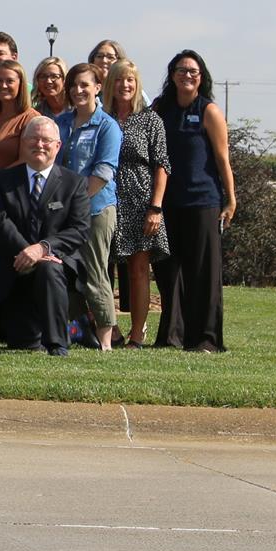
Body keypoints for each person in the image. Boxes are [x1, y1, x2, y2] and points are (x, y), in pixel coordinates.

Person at [0, 118, 92, 355]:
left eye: (46, 140)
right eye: (34, 138)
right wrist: (27, 251)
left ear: (58, 146)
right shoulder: (4, 180)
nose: (39, 144)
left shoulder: (74, 183)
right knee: (22, 342)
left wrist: (42, 249)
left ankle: (58, 344)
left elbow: (80, 229)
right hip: (14, 264)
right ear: (23, 143)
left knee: (48, 269)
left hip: (57, 264)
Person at [151, 50, 236, 353]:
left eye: (194, 72)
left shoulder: (209, 110)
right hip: (166, 203)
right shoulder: (160, 109)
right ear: (172, 75)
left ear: (202, 77)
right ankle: (171, 336)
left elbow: (222, 158)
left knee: (203, 273)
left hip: (203, 201)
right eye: (182, 70)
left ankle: (206, 339)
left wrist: (230, 199)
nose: (187, 76)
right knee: (167, 271)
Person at [105, 58, 170, 349]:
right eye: (119, 80)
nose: (125, 85)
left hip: (140, 199)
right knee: (102, 267)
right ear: (110, 84)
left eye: (130, 80)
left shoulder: (150, 120)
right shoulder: (101, 117)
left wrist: (155, 207)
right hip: (106, 198)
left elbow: (162, 165)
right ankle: (110, 330)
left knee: (138, 270)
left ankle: (137, 334)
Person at [57, 62, 123, 350]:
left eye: (85, 84)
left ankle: (106, 339)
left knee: (95, 273)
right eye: (73, 85)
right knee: (68, 272)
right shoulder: (60, 123)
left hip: (96, 209)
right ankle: (78, 332)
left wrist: (76, 203)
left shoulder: (107, 126)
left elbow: (104, 171)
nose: (78, 90)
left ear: (98, 88)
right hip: (62, 211)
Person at [0, 61, 38, 174]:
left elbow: (27, 160)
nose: (3, 85)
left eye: (10, 81)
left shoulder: (31, 119)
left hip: (8, 187)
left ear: (21, 84)